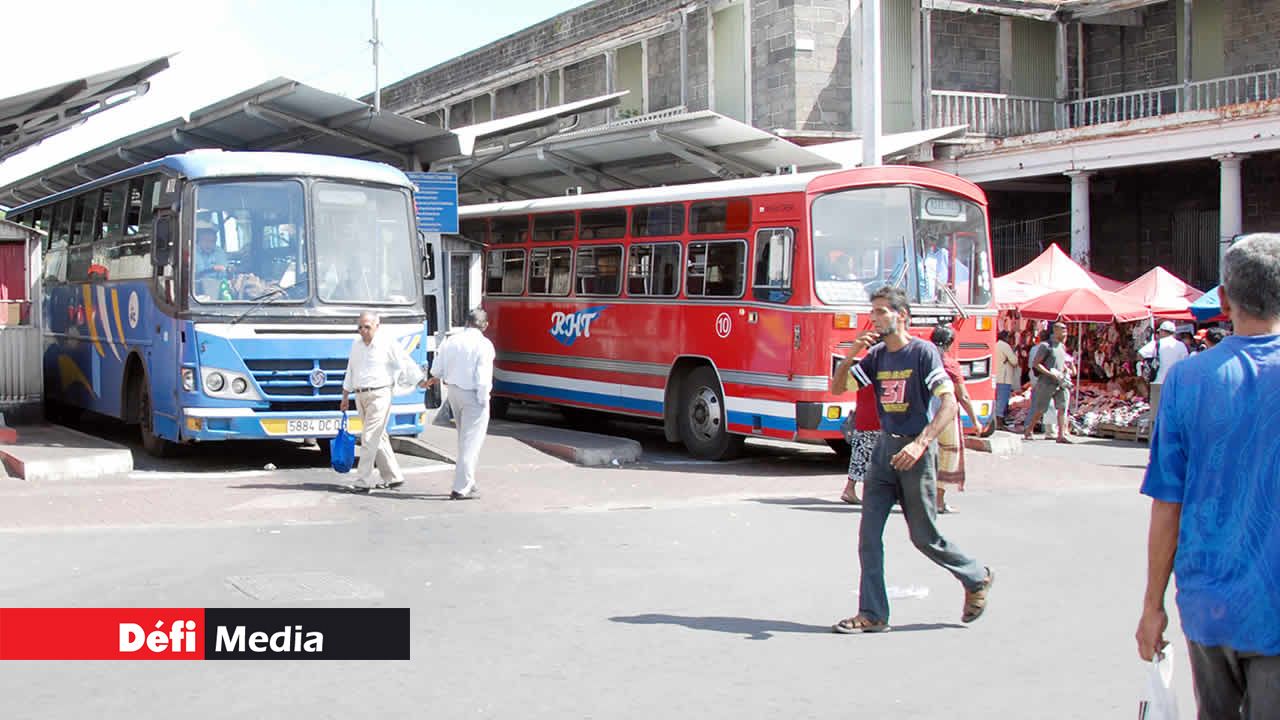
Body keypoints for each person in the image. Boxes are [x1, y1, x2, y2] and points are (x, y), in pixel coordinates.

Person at [1136, 233, 1280, 718]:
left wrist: (1152, 606)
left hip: (1207, 603)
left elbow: (1167, 503)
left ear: (1222, 299)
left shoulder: (1187, 380)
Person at [828, 286, 993, 634]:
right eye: (872, 312)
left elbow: (948, 405)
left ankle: (976, 576)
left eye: (881, 311)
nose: (874, 318)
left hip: (916, 452)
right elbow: (838, 387)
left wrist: (921, 444)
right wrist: (853, 351)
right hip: (884, 452)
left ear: (901, 315)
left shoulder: (923, 353)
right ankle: (872, 613)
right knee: (868, 536)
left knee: (924, 537)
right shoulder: (875, 357)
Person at [339, 311, 425, 492]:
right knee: (378, 437)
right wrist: (345, 396)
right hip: (360, 395)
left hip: (380, 395)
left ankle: (362, 481)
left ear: (377, 326)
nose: (363, 331)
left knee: (369, 437)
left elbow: (405, 361)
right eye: (360, 327)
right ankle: (393, 477)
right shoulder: (356, 345)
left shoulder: (387, 343)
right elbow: (350, 370)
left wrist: (420, 381)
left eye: (367, 327)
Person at [424, 308, 496, 500]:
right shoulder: (484, 345)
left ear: (466, 322)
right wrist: (484, 399)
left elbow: (437, 368)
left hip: (454, 392)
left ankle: (469, 482)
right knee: (471, 443)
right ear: (485, 325)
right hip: (473, 395)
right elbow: (482, 378)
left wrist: (435, 379)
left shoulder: (451, 340)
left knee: (464, 439)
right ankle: (461, 488)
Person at [930, 325, 974, 514]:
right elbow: (963, 396)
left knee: (925, 456)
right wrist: (975, 419)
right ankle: (939, 500)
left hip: (924, 414)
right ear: (949, 344)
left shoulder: (922, 360)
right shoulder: (950, 364)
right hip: (945, 415)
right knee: (948, 454)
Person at [1023, 322, 1072, 444]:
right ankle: (1029, 430)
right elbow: (1036, 364)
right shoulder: (1045, 346)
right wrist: (1050, 373)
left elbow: (1061, 362)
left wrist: (1066, 369)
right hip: (1046, 382)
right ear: (1055, 330)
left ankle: (1060, 435)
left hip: (1060, 382)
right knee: (1041, 409)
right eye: (1063, 329)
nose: (1065, 331)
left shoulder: (1062, 347)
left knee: (1062, 407)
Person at [834, 383, 880, 506]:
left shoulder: (864, 369)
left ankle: (850, 489)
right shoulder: (880, 369)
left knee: (859, 457)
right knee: (876, 458)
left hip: (862, 417)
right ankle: (856, 491)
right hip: (874, 419)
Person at [1139, 320, 1189, 384]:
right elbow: (1185, 363)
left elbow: (1140, 355)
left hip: (1158, 381)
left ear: (1162, 331)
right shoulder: (1181, 345)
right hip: (1176, 382)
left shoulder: (1156, 343)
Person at [994, 330, 1019, 429]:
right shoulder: (1004, 346)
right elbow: (1014, 361)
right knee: (1002, 400)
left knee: (997, 400)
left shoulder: (995, 344)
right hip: (1004, 378)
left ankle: (996, 422)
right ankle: (999, 423)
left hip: (996, 376)